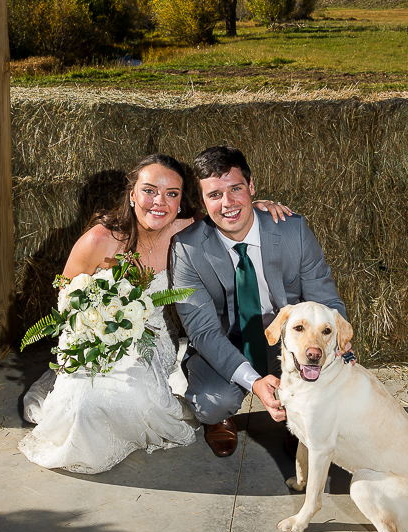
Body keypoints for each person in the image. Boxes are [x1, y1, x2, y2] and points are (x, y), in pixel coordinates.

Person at [19, 154, 291, 474]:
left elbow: (230, 214)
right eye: (149, 191)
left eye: (172, 194)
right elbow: (65, 296)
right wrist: (94, 323)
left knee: (131, 397)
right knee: (83, 402)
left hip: (150, 336)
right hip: (92, 334)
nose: (159, 202)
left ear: (180, 201)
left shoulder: (188, 229)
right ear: (132, 194)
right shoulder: (99, 240)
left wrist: (258, 205)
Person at [171, 144, 348, 457]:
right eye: (214, 195)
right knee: (212, 403)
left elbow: (325, 299)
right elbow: (203, 331)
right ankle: (221, 418)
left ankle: (299, 418)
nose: (227, 203)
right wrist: (254, 382)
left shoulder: (294, 231)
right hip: (226, 338)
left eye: (236, 189)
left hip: (286, 336)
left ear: (251, 187)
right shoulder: (186, 248)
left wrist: (339, 348)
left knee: (330, 378)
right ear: (202, 200)